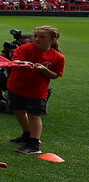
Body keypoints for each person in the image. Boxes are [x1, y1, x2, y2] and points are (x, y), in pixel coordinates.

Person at [7, 25, 64, 155]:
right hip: (16, 86)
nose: (37, 39)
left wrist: (44, 70)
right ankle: (27, 135)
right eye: (36, 36)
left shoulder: (58, 57)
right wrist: (23, 64)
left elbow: (55, 75)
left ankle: (34, 144)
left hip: (36, 91)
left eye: (42, 37)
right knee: (17, 110)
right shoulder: (25, 48)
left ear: (52, 39)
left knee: (34, 115)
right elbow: (15, 60)